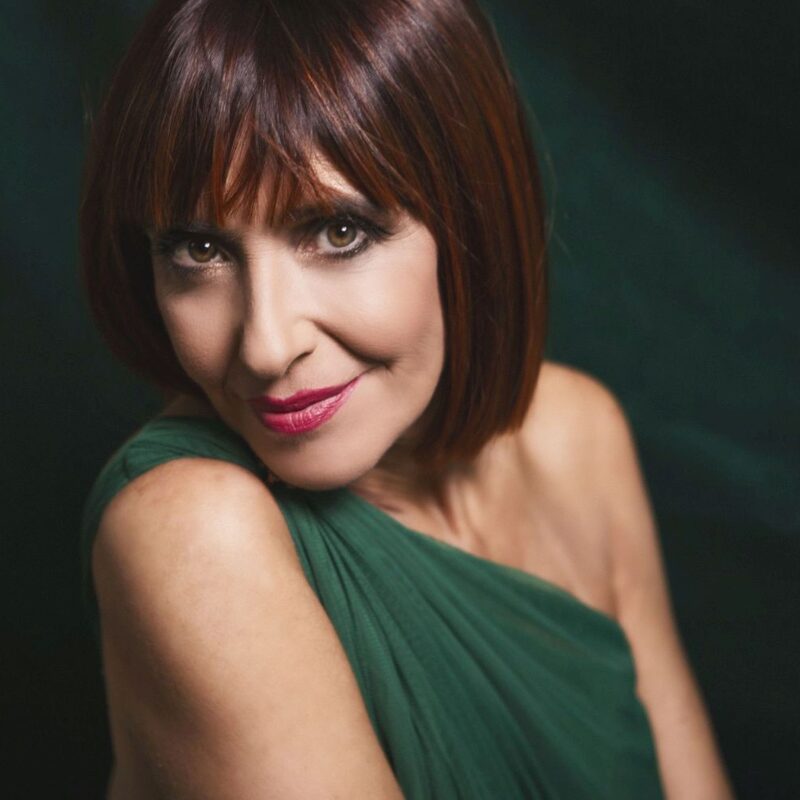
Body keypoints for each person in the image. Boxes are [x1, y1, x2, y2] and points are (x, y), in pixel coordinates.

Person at [79, 0, 734, 797]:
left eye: (337, 232)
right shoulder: (190, 529)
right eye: (201, 249)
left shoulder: (577, 435)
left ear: (470, 223)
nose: (265, 346)